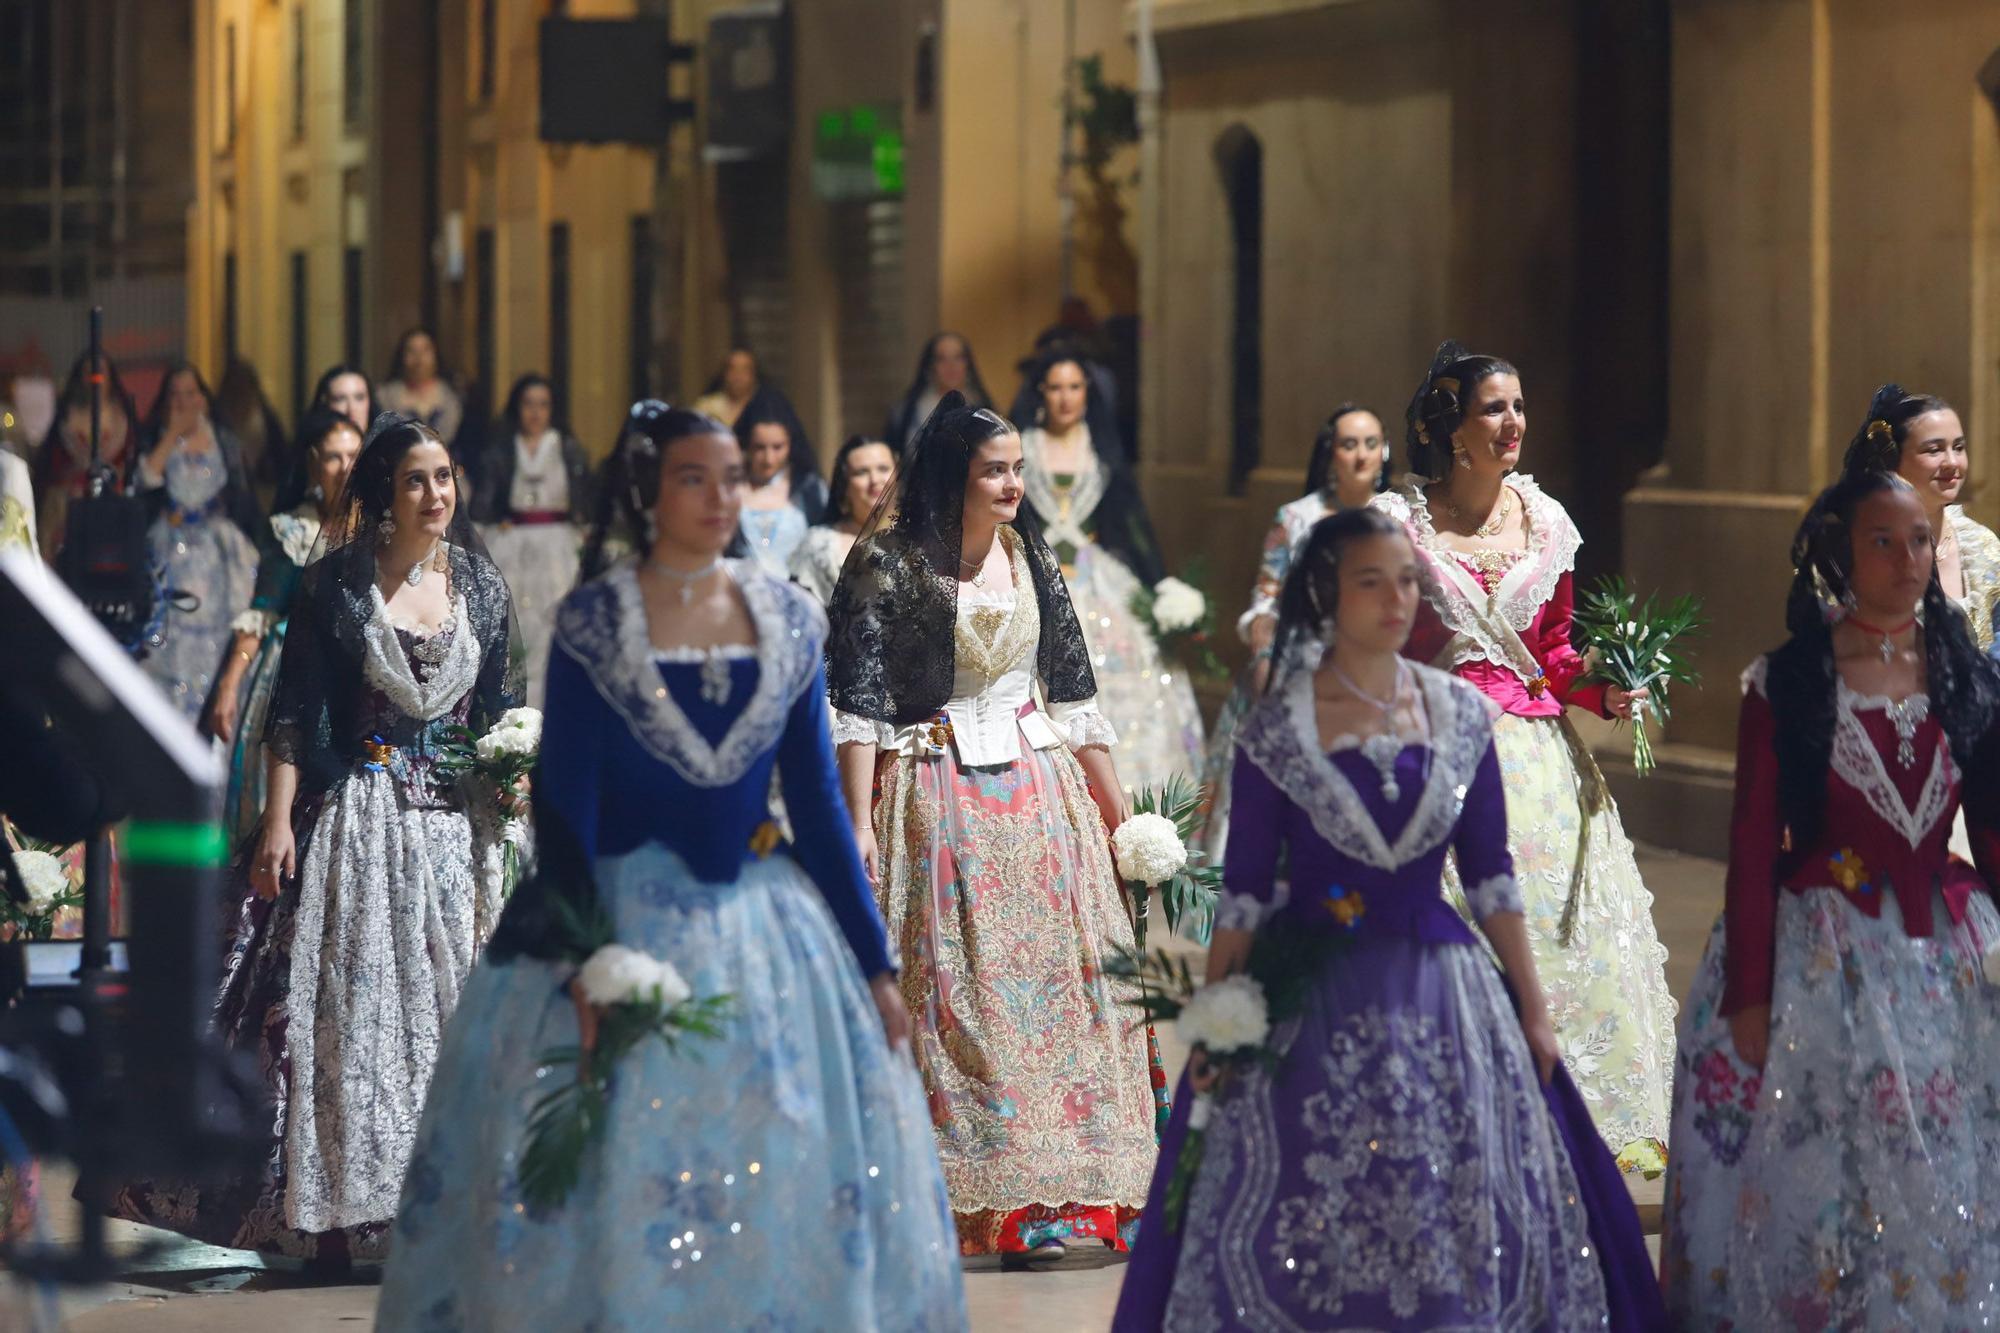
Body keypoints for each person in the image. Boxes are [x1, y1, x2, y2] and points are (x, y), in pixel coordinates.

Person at [375, 402, 965, 1330]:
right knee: (615, 1181)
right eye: (694, 477)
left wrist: (874, 964)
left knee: (773, 1170)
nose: (719, 496)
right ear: (649, 492)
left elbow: (816, 808)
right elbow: (567, 812)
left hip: (764, 932)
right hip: (614, 924)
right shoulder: (593, 624)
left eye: (731, 478)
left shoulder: (790, 619)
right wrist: (579, 965)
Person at [1115, 508, 1659, 1331]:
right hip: (1309, 993)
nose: (1398, 597)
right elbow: (1247, 895)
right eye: (1372, 580)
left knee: (1445, 1190)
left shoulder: (1461, 715)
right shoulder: (1276, 728)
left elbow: (1491, 880)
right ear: (1327, 596)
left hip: (1443, 988)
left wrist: (1535, 1011)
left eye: (1408, 579)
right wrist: (1218, 1016)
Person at [106, 414, 523, 1267]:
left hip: (455, 833)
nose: (435, 494)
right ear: (381, 494)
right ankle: (335, 1217)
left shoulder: (481, 584)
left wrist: (511, 782)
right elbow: (294, 716)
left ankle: (456, 1204)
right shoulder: (337, 586)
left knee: (458, 1025)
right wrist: (279, 821)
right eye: (416, 479)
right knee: (350, 1026)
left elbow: (498, 712)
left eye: (443, 476)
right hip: (363, 823)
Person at [1661, 470, 2000, 1328]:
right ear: (1840, 553)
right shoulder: (1793, 681)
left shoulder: (1965, 672)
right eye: (1881, 540)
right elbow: (1750, 842)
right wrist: (1749, 992)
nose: (1906, 558)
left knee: (1950, 1145)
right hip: (1825, 953)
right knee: (1831, 1147)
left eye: (1919, 538)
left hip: (1946, 948)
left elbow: (1993, 825)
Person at [827, 392, 1158, 1263]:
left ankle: (1067, 1193)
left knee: (1060, 985)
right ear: (954, 476)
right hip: (935, 801)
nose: (1015, 483)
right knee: (957, 993)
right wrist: (856, 822)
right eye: (996, 471)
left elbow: (1076, 697)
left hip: (1041, 804)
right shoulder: (886, 565)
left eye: (1017, 468)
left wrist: (1120, 818)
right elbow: (856, 706)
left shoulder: (1030, 557)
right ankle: (976, 1195)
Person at [1373, 340, 1675, 1170]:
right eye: (1493, 409)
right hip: (1437, 750)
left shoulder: (1546, 523)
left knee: (1563, 930)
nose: (1514, 423)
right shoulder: (1400, 525)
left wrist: (1606, 691)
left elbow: (1553, 652)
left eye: (1518, 405)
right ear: (1452, 429)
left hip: (1541, 761)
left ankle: (1581, 1125)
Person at [1199, 404, 1391, 857]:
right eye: (1349, 444)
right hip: (1301, 669)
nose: (1362, 456)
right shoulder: (1296, 518)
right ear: (1330, 454)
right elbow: (1265, 599)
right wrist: (1266, 654)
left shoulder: (1399, 518)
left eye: (1371, 443)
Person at [1016, 349, 1205, 796]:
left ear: (1088, 393)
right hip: (1039, 574)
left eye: (1075, 387)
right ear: (1042, 392)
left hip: (1098, 579)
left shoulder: (1100, 448)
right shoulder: (1022, 444)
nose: (1065, 398)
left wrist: (1161, 584)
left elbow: (1132, 520)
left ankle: (1133, 783)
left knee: (1127, 670)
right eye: (1056, 387)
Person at [206, 408, 364, 843]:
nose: (346, 467)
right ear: (315, 464)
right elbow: (262, 612)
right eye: (334, 457)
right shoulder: (293, 530)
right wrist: (228, 686)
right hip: (293, 674)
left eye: (355, 455)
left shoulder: (383, 531)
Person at [135, 362, 262, 724]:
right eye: (175, 394)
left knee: (224, 627)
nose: (184, 401)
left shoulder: (221, 438)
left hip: (215, 549)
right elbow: (146, 478)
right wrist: (172, 432)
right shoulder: (160, 436)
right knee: (167, 630)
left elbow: (241, 491)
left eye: (191, 392)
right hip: (169, 546)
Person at [1839, 383, 2000, 649]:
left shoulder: (1982, 546)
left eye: (1958, 448)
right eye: (1934, 450)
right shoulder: (1857, 551)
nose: (1952, 462)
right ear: (1893, 460)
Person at [473, 373, 593, 702]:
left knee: (553, 618)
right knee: (517, 623)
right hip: (513, 541)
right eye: (529, 405)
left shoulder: (566, 448)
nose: (535, 413)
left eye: (543, 405)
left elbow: (583, 499)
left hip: (558, 544)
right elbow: (486, 503)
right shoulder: (502, 449)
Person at [32, 350, 139, 564]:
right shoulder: (66, 420)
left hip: (111, 506)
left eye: (101, 373)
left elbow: (131, 465)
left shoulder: (122, 420)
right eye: (89, 373)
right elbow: (50, 467)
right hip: (69, 507)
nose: (95, 380)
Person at [788, 434, 895, 605]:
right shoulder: (819, 544)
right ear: (845, 486)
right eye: (862, 472)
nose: (875, 480)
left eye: (883, 469)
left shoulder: (921, 539)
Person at [734, 387, 827, 575]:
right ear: (746, 445)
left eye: (778, 447)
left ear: (791, 444)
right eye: (759, 448)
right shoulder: (729, 488)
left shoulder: (809, 490)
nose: (769, 459)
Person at [883, 332, 992, 450]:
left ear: (968, 364)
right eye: (941, 359)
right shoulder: (907, 413)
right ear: (930, 366)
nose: (951, 366)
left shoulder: (985, 411)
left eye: (958, 357)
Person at [379, 329, 465, 458]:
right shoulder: (385, 398)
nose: (419, 359)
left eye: (425, 350)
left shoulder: (453, 399)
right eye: (411, 351)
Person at [690, 345, 761, 428]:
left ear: (754, 375)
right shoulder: (705, 407)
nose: (738, 376)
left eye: (745, 369)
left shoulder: (765, 409)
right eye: (732, 369)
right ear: (724, 373)